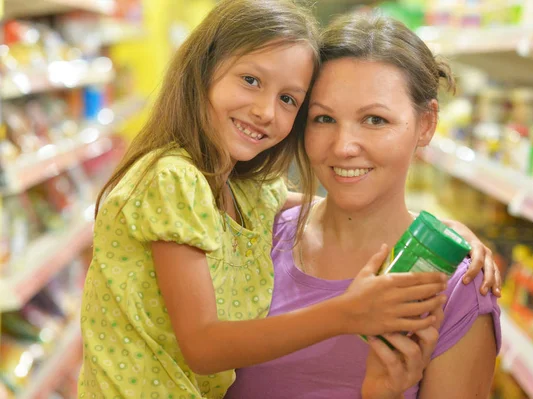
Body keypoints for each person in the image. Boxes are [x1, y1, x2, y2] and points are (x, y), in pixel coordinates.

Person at [78, 2, 482, 398]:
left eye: (288, 99)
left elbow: (299, 199)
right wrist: (346, 312)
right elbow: (203, 347)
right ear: (203, 70)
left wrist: (447, 231)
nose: (265, 111)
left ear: (426, 124)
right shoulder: (172, 178)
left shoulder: (245, 193)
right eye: (324, 118)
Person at [226, 12, 501, 399]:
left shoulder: (456, 286)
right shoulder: (255, 234)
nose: (343, 146)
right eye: (323, 118)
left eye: (375, 119)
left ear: (426, 123)